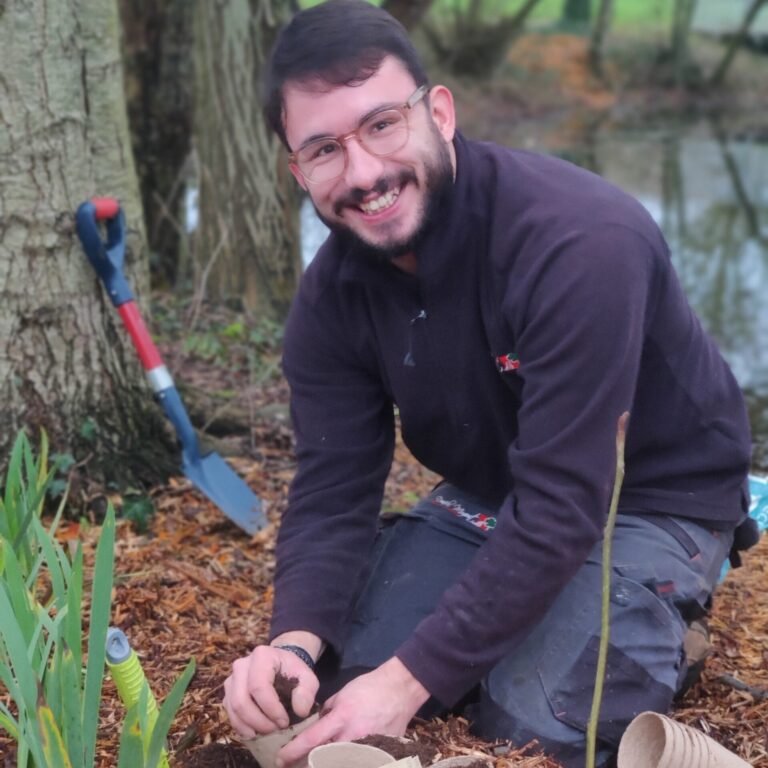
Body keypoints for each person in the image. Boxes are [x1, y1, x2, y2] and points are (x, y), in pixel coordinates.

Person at [223, 2, 756, 765]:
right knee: (349, 678)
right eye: (324, 150)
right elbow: (333, 486)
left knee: (532, 722)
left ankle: (665, 619)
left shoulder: (579, 244)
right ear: (298, 170)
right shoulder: (330, 297)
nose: (365, 173)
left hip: (650, 494)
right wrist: (295, 647)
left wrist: (408, 686)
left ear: (438, 112)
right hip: (495, 491)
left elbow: (568, 499)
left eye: (381, 125)